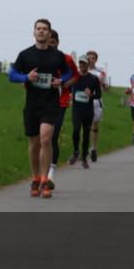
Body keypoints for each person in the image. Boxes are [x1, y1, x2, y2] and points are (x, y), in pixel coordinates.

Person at [9, 20, 69, 197]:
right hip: (32, 104)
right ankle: (35, 177)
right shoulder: (25, 55)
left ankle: (44, 180)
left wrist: (61, 81)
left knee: (45, 139)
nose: (41, 31)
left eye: (45, 29)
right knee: (34, 143)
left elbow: (68, 73)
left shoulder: (57, 56)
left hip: (50, 104)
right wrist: (26, 77)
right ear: (34, 32)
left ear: (49, 34)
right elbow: (12, 75)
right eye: (38, 29)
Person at [46, 30, 80, 181]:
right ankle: (41, 171)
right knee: (42, 138)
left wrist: (66, 83)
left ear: (58, 42)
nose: (51, 45)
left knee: (53, 136)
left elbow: (76, 75)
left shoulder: (66, 58)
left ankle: (51, 172)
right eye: (48, 42)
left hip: (60, 101)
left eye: (53, 42)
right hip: (42, 101)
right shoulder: (40, 58)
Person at [69, 57, 102, 168]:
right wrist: (69, 95)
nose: (82, 65)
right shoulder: (75, 77)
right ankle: (76, 151)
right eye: (80, 63)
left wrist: (91, 95)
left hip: (88, 110)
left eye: (84, 63)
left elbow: (99, 95)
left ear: (88, 65)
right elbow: (67, 88)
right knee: (76, 130)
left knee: (86, 134)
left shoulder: (93, 79)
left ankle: (84, 158)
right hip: (76, 109)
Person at [86, 50, 110, 162]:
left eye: (92, 58)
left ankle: (94, 148)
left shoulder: (101, 72)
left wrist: (104, 85)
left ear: (96, 60)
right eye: (88, 57)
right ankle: (85, 150)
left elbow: (107, 88)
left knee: (94, 126)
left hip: (96, 101)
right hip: (84, 100)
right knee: (85, 125)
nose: (90, 60)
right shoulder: (81, 70)